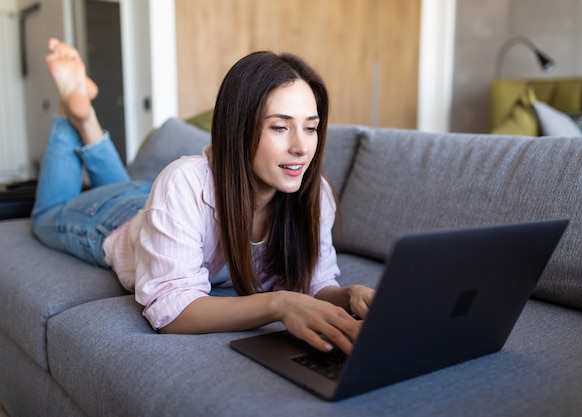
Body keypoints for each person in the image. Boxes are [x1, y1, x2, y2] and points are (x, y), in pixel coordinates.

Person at [31, 38, 374, 354]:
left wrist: (348, 296)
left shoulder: (315, 195)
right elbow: (173, 310)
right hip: (112, 218)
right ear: (239, 129)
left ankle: (85, 116)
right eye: (280, 127)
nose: (301, 147)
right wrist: (278, 305)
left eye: (310, 127)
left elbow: (315, 283)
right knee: (46, 216)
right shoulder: (184, 182)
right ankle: (71, 112)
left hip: (160, 208)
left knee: (130, 188)